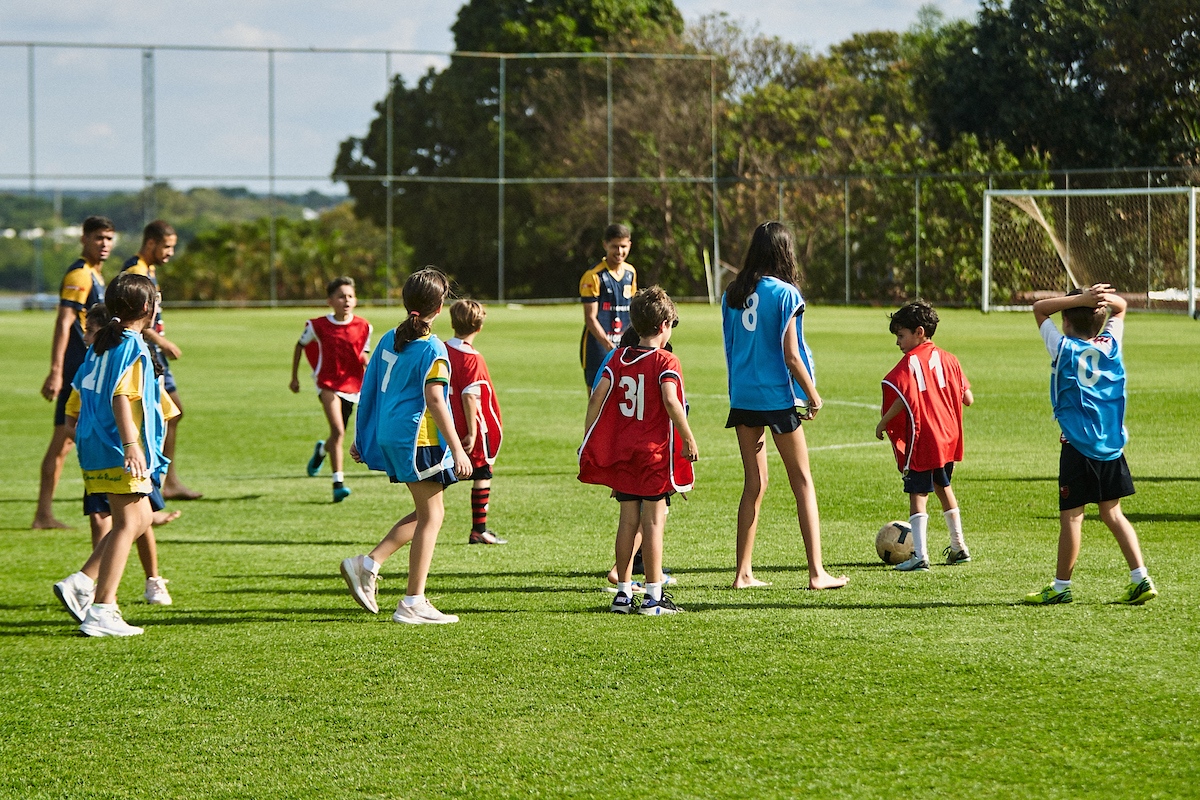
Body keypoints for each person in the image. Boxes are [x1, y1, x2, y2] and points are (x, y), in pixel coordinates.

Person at [339, 268, 471, 625]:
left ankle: (369, 565)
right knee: (433, 515)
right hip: (419, 439)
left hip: (391, 433)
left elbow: (372, 389)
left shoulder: (388, 338)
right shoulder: (433, 348)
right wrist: (458, 449)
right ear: (439, 306)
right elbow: (435, 399)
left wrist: (363, 436)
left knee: (428, 512)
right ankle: (411, 600)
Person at [721, 221, 848, 591]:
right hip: (776, 397)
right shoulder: (786, 293)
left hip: (742, 396)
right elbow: (792, 356)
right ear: (784, 251)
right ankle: (816, 573)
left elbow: (731, 348)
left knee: (754, 484)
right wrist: (813, 395)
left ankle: (742, 573)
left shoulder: (733, 292)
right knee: (803, 482)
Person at [1023, 284, 1157, 606]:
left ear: (1066, 320)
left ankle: (1060, 586)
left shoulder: (1063, 347)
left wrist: (1082, 299)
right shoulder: (1110, 343)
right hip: (1111, 445)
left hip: (1078, 447)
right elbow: (1122, 306)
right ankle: (1140, 578)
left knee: (1072, 517)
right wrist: (1095, 301)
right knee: (1113, 514)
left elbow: (1040, 308)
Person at [52, 302, 179, 624]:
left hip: (101, 451)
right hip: (122, 453)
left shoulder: (95, 358)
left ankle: (86, 585)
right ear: (146, 310)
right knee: (127, 523)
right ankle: (101, 605)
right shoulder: (130, 350)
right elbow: (124, 399)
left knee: (137, 521)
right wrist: (133, 446)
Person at [580, 286, 698, 615]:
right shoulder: (665, 359)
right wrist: (688, 436)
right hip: (652, 454)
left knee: (626, 522)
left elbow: (596, 397)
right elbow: (671, 400)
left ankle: (621, 595)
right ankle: (653, 596)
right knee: (653, 524)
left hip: (623, 453)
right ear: (664, 325)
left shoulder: (618, 358)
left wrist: (589, 435)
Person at [875, 300, 975, 571]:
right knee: (944, 488)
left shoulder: (910, 362)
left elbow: (901, 394)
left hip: (923, 437)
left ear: (919, 332)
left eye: (901, 335)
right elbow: (968, 398)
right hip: (947, 437)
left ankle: (919, 555)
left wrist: (884, 422)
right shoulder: (950, 359)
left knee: (918, 494)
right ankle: (958, 547)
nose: (898, 342)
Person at [33, 216, 113, 529]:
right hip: (78, 371)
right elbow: (64, 320)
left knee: (62, 443)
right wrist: (56, 370)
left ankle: (44, 514)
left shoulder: (95, 274)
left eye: (108, 238)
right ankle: (101, 508)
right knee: (79, 438)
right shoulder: (80, 274)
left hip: (84, 370)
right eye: (98, 238)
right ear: (84, 239)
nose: (104, 244)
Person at [122, 219, 201, 500]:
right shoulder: (134, 271)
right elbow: (129, 318)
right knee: (163, 413)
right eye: (167, 247)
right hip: (142, 353)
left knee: (171, 412)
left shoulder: (149, 270)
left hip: (152, 353)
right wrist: (160, 340)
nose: (170, 252)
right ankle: (153, 478)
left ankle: (165, 479)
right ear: (151, 243)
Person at [290, 276, 373, 503]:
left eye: (350, 296)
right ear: (330, 301)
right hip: (327, 383)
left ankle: (321, 452)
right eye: (341, 296)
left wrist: (368, 364)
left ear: (355, 301)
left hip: (353, 385)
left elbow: (362, 352)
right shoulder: (317, 326)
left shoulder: (364, 326)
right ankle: (338, 483)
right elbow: (300, 345)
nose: (346, 300)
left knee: (337, 433)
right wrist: (294, 377)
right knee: (338, 431)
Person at [445, 299, 506, 544]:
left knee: (442, 474)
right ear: (479, 327)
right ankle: (478, 529)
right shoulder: (472, 358)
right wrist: (472, 432)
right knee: (482, 471)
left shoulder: (441, 348)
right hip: (469, 425)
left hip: (444, 422)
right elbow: (470, 395)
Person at [580, 223, 637, 389]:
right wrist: (609, 346)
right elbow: (590, 318)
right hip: (598, 347)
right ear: (605, 245)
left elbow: (633, 311)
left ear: (629, 245)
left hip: (625, 345)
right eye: (614, 247)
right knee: (596, 402)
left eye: (623, 246)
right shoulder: (593, 276)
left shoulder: (630, 273)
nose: (619, 252)